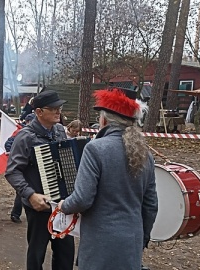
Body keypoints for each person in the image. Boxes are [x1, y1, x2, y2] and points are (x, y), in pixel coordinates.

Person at [57, 88, 158, 270]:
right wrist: (141, 238)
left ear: (104, 120)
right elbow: (151, 206)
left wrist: (63, 205)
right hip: (132, 242)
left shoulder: (95, 149)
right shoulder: (146, 155)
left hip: (100, 243)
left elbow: (82, 199)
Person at [5, 90, 74, 270]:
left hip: (62, 204)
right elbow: (12, 171)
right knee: (37, 253)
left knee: (65, 253)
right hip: (39, 206)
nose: (58, 112)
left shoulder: (59, 130)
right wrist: (30, 195)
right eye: (53, 109)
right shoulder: (25, 136)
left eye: (59, 108)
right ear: (39, 112)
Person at [4, 113, 35, 224]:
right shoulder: (20, 132)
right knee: (21, 192)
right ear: (27, 122)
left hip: (29, 167)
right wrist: (16, 152)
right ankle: (15, 214)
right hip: (22, 167)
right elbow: (8, 144)